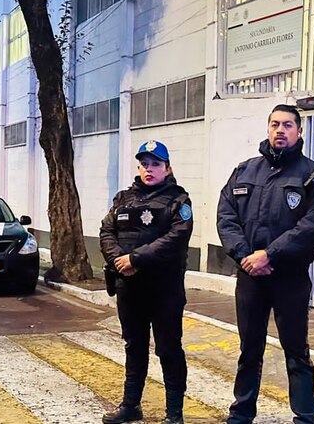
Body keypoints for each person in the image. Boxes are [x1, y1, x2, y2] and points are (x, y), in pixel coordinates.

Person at [218, 104, 314, 424]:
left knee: (296, 351)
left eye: (287, 125)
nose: (280, 130)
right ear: (267, 129)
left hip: (289, 278)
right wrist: (245, 256)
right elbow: (226, 217)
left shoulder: (313, 176)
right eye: (274, 124)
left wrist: (269, 255)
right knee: (249, 349)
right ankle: (241, 414)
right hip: (250, 276)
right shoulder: (244, 171)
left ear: (299, 131)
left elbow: (313, 227)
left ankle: (305, 416)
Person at [99, 140, 194, 424]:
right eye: (145, 164)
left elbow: (176, 238)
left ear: (167, 168)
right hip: (130, 288)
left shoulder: (179, 201)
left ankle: (174, 414)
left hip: (164, 290)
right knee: (134, 346)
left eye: (156, 164)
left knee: (168, 349)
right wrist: (120, 261)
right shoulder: (123, 199)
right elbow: (106, 231)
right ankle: (131, 406)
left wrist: (135, 260)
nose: (149, 169)